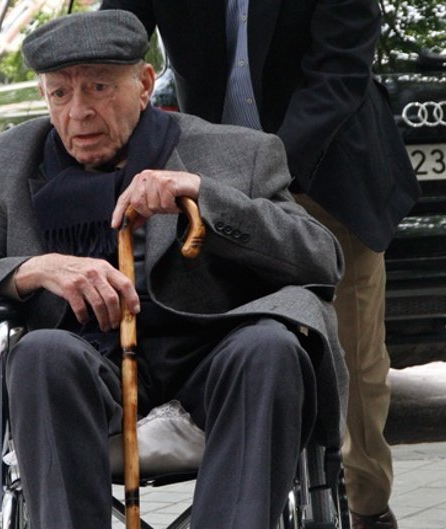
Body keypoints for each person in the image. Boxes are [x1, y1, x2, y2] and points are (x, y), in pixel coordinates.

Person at [0, 10, 347, 529]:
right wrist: (35, 269)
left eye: (99, 88)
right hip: (86, 374)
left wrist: (204, 196)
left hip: (208, 363)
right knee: (39, 353)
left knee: (271, 347)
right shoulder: (12, 160)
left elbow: (322, 258)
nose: (78, 112)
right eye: (60, 93)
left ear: (145, 85)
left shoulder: (236, 152)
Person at [99, 1, 421, 527]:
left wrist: (258, 179)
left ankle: (367, 508)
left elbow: (339, 72)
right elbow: (108, 38)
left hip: (324, 173)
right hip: (207, 179)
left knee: (351, 354)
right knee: (231, 339)